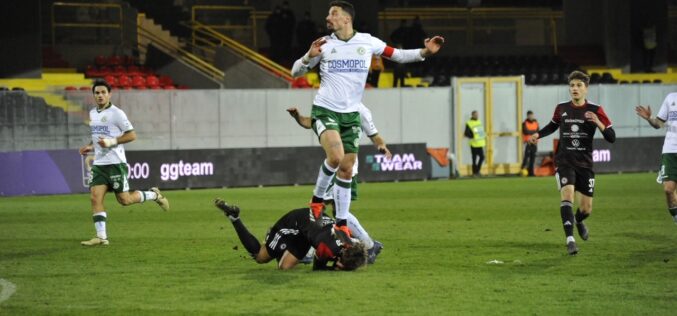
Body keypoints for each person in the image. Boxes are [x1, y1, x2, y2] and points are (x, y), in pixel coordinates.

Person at [290, 1, 444, 236]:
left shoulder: (368, 41)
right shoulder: (323, 45)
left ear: (346, 19)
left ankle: (341, 222)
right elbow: (295, 72)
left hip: (351, 114)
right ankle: (316, 200)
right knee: (336, 157)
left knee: (347, 168)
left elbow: (399, 55)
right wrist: (307, 58)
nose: (328, 18)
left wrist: (424, 52)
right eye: (329, 14)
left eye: (333, 14)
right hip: (325, 109)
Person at [287, 105, 390, 263]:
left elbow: (374, 134)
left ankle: (309, 251)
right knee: (335, 211)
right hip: (336, 166)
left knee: (322, 209)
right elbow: (312, 122)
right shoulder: (332, 103)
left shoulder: (360, 110)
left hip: (346, 168)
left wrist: (381, 145)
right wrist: (297, 117)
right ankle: (370, 245)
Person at [530, 71, 616, 255]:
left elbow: (611, 137)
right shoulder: (561, 108)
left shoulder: (596, 109)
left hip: (585, 164)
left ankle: (578, 220)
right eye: (572, 85)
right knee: (567, 196)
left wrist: (598, 123)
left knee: (586, 209)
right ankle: (570, 240)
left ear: (586, 88)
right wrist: (538, 134)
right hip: (564, 161)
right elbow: (553, 125)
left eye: (578, 85)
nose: (574, 89)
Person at [78, 79, 169, 246]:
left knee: (124, 200)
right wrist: (89, 146)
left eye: (103, 92)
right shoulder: (92, 113)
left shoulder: (117, 113)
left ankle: (154, 195)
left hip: (115, 164)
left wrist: (111, 142)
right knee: (94, 197)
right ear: (93, 95)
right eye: (97, 93)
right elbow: (97, 137)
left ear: (109, 94)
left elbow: (132, 135)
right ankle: (101, 237)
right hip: (99, 164)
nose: (100, 95)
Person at [213, 198, 367, 271]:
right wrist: (334, 269)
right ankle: (235, 217)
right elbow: (318, 268)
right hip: (294, 223)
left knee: (284, 268)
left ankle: (285, 248)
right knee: (261, 257)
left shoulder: (349, 240)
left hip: (309, 231)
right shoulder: (328, 249)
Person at [635, 92, 677, 224]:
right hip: (670, 150)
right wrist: (649, 118)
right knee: (668, 190)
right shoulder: (671, 98)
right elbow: (659, 124)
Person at [464, 110, 486, 177]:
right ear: (472, 115)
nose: (477, 116)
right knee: (474, 159)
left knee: (482, 157)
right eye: (476, 115)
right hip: (474, 143)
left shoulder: (479, 122)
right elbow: (466, 133)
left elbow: (480, 131)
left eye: (477, 115)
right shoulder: (469, 123)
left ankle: (477, 171)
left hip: (480, 143)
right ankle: (475, 173)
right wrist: (473, 136)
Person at [521, 110, 539, 176]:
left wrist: (532, 132)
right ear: (527, 116)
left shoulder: (536, 122)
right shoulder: (524, 123)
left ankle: (531, 173)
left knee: (533, 158)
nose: (531, 116)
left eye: (532, 115)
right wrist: (533, 132)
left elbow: (538, 131)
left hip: (534, 142)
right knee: (526, 157)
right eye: (529, 115)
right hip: (527, 142)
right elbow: (525, 131)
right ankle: (522, 170)